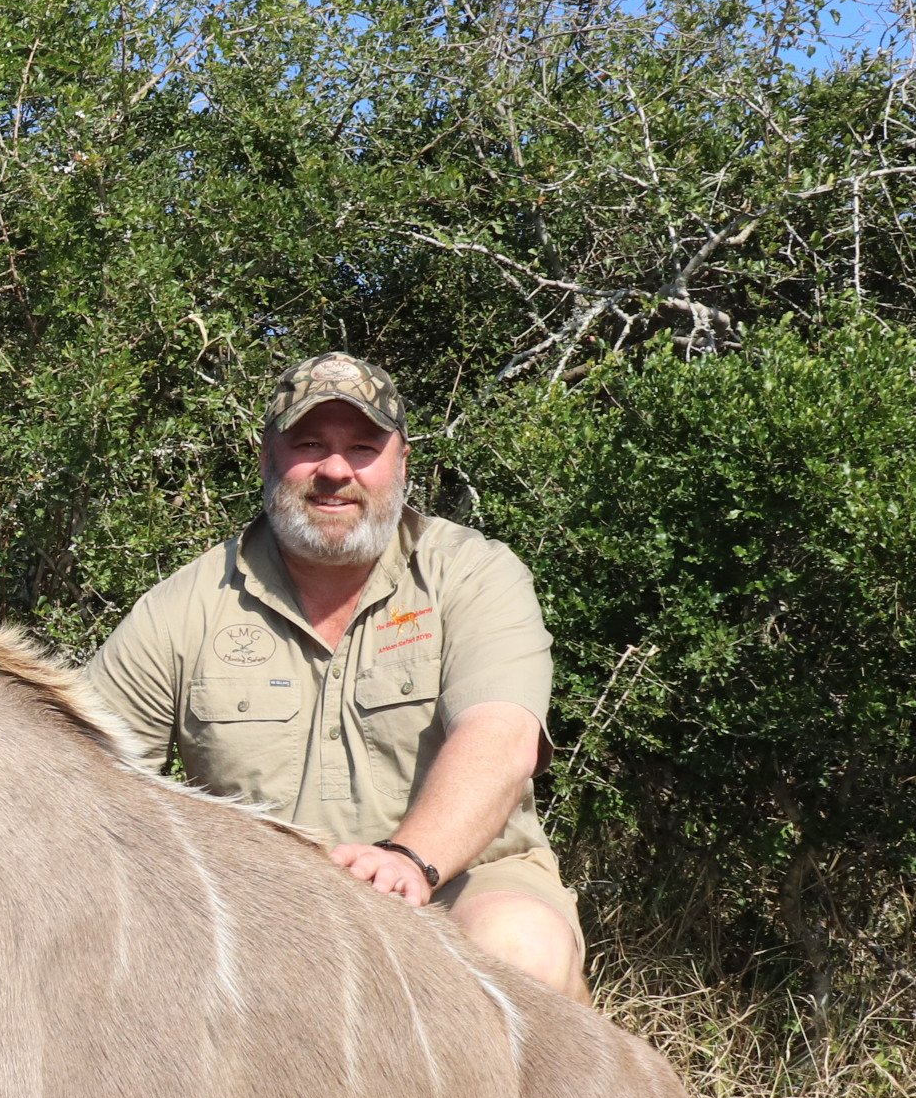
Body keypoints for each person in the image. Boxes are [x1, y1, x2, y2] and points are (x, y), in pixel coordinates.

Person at [81, 354, 587, 997]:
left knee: (522, 948)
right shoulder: (185, 606)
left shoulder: (472, 575)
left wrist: (408, 861)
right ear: (268, 460)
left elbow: (501, 739)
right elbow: (81, 773)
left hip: (458, 884)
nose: (335, 471)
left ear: (401, 465)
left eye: (363, 447)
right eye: (310, 444)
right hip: (263, 911)